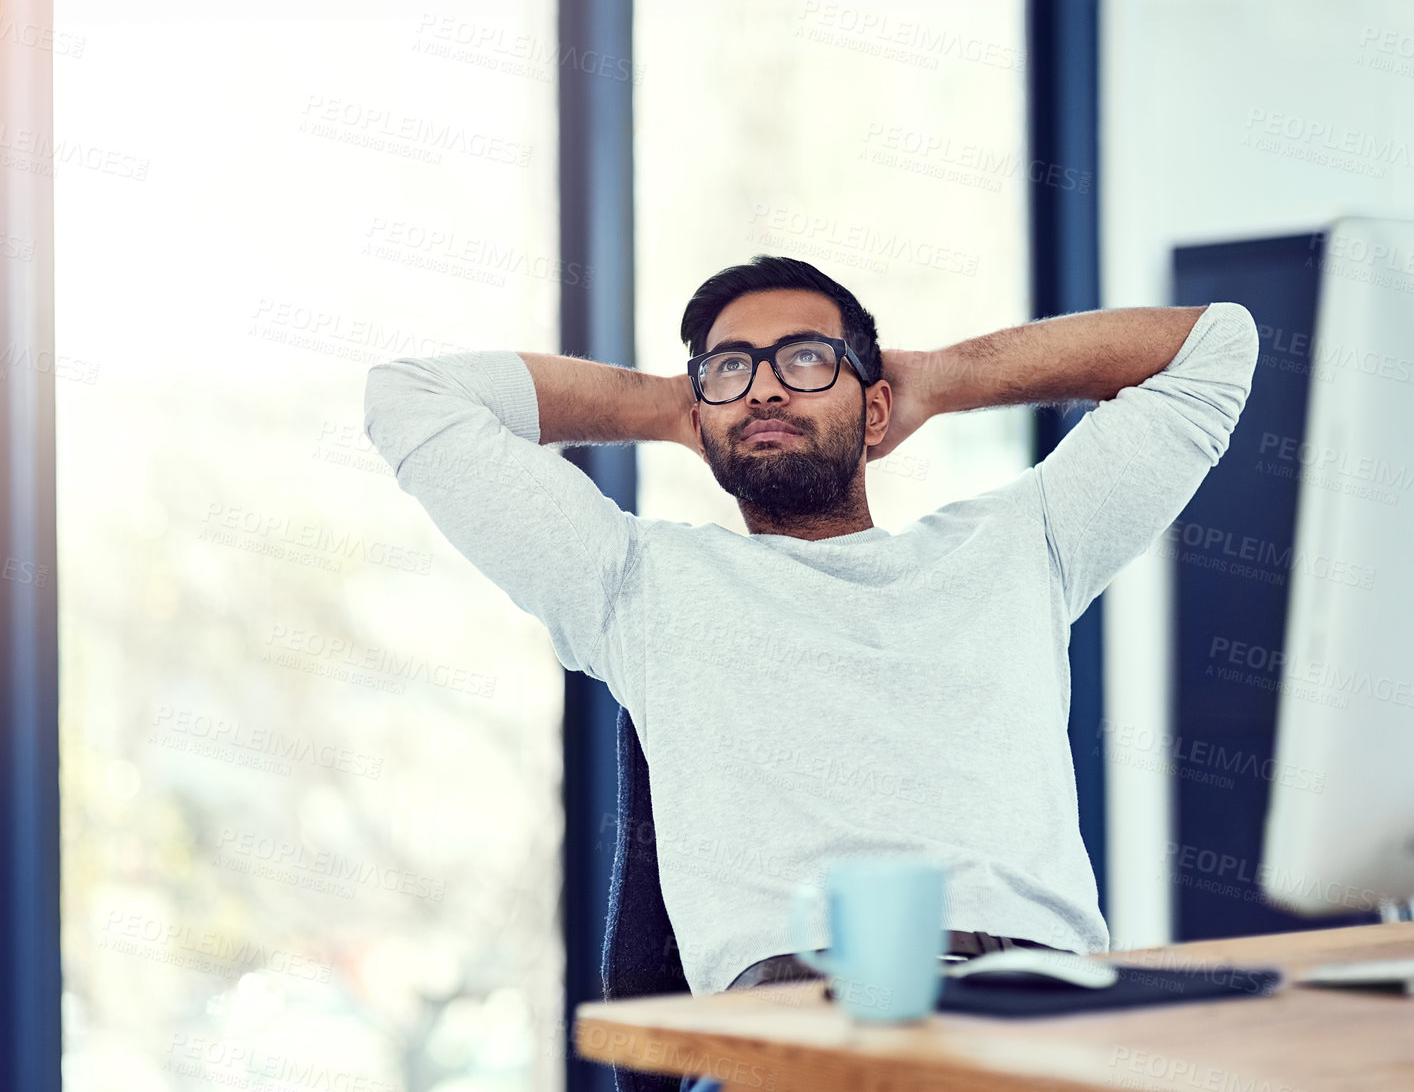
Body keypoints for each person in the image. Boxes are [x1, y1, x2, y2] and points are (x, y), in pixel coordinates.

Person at [363, 253, 1259, 1021]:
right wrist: (666, 407)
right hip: (801, 1017)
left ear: (874, 410)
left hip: (1043, 997)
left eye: (803, 359)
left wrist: (938, 380)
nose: (762, 386)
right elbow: (411, 396)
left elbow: (1215, 349)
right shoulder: (632, 582)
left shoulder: (1024, 545)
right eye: (727, 370)